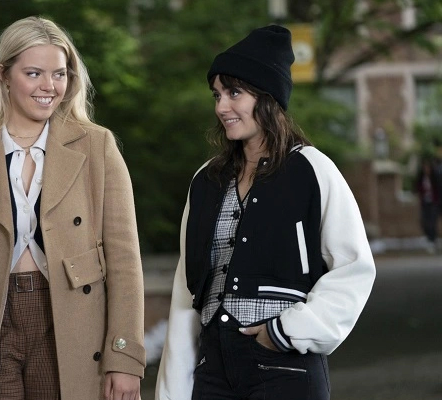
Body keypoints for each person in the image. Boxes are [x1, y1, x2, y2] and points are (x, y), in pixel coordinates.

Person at [0, 16, 145, 400]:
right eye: (34, 73)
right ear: (3, 75)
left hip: (70, 320)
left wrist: (124, 356)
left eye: (59, 74)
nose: (49, 87)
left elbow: (125, 259)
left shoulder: (97, 146)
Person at [155, 25, 376, 400]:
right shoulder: (205, 181)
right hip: (212, 372)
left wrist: (288, 331)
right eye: (218, 94)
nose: (221, 106)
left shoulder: (311, 169)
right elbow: (186, 290)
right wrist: (172, 389)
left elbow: (354, 267)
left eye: (234, 93)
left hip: (284, 369)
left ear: (268, 96)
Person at [415, 156, 441, 253]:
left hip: (434, 203)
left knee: (432, 222)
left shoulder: (435, 177)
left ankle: (433, 240)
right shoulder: (422, 178)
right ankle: (429, 238)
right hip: (425, 202)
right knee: (424, 221)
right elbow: (418, 188)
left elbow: (438, 189)